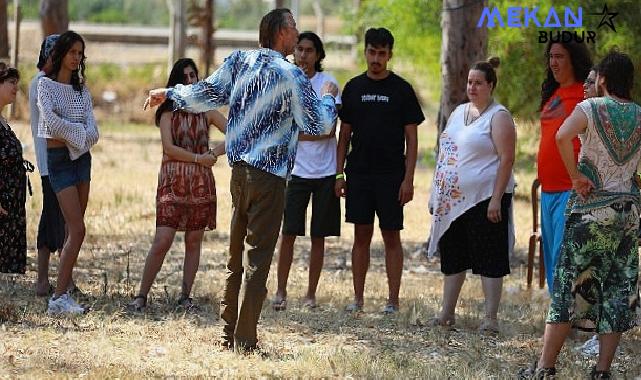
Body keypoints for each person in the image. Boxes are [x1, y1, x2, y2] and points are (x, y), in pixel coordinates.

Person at [144, 8, 338, 351]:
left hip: (239, 174)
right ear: (281, 33)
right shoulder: (292, 74)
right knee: (259, 258)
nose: (297, 34)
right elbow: (319, 124)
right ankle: (245, 340)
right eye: (293, 28)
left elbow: (205, 93)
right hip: (270, 177)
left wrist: (170, 93)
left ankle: (226, 331)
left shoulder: (239, 61)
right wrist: (329, 96)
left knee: (236, 256)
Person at [518, 51, 641, 380]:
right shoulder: (639, 114)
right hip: (627, 215)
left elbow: (561, 136)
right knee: (617, 291)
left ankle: (545, 368)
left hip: (591, 211)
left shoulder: (590, 108)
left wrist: (575, 176)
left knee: (567, 288)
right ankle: (601, 371)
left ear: (602, 79)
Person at [336, 27, 424, 314]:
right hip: (358, 174)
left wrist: (408, 179)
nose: (376, 58)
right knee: (361, 236)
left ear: (389, 55)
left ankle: (393, 301)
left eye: (382, 53)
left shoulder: (402, 89)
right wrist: (339, 174)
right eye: (372, 52)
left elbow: (412, 139)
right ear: (365, 52)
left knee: (391, 236)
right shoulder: (353, 87)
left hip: (391, 176)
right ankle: (357, 299)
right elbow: (344, 136)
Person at [127, 58, 226, 312]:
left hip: (201, 183)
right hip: (172, 181)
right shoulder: (168, 111)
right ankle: (141, 295)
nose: (190, 80)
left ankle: (185, 296)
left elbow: (238, 132)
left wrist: (214, 153)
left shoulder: (207, 110)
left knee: (194, 241)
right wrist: (198, 158)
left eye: (194, 75)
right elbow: (169, 149)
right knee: (163, 239)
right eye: (185, 77)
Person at [427, 58, 516, 333]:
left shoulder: (499, 116)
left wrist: (496, 199)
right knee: (453, 255)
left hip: (485, 199)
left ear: (491, 85)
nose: (472, 87)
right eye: (469, 82)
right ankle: (447, 313)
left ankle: (490, 319)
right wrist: (435, 193)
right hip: (453, 200)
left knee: (489, 257)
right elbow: (444, 154)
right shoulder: (458, 112)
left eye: (478, 83)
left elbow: (507, 159)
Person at [272, 31, 342, 311]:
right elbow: (281, 129)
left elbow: (328, 130)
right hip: (294, 172)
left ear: (318, 54)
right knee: (287, 234)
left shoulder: (329, 84)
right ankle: (280, 291)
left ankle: (311, 294)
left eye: (309, 50)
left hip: (324, 172)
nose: (303, 55)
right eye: (299, 49)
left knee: (318, 236)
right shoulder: (286, 83)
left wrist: (299, 131)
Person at [38, 31, 99, 314]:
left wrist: (73, 135)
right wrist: (79, 134)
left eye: (80, 53)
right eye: (73, 52)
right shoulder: (45, 86)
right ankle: (58, 298)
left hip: (82, 160)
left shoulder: (82, 90)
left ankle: (62, 293)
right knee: (78, 228)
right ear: (62, 53)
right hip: (59, 160)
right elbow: (50, 123)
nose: (77, 58)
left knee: (73, 230)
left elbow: (94, 132)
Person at [537, 41, 592, 295]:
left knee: (564, 255)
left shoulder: (586, 95)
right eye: (550, 56)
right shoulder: (553, 94)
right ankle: (558, 318)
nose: (553, 62)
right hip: (547, 190)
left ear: (574, 59)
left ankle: (565, 318)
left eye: (559, 56)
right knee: (551, 255)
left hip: (571, 188)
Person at [29, 34, 71, 297]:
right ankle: (43, 279)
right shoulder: (41, 84)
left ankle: (63, 279)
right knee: (52, 219)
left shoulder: (58, 83)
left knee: (68, 220)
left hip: (67, 160)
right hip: (49, 162)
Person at [0, 62, 32, 274]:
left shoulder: (3, 121)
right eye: (11, 82)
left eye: (17, 83)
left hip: (10, 203)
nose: (16, 88)